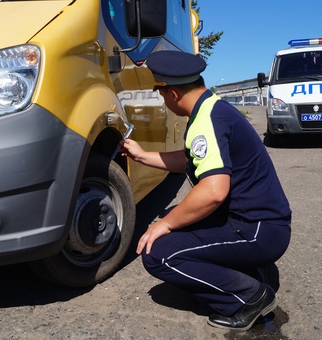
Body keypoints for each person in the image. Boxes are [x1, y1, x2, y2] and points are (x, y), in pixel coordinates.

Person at [119, 50, 292, 332]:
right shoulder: (212, 109)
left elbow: (213, 192)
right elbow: (189, 159)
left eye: (160, 94)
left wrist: (163, 225)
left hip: (258, 230)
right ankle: (247, 271)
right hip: (264, 224)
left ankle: (248, 297)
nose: (162, 100)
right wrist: (142, 155)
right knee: (178, 217)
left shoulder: (206, 122)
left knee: (158, 253)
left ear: (172, 93)